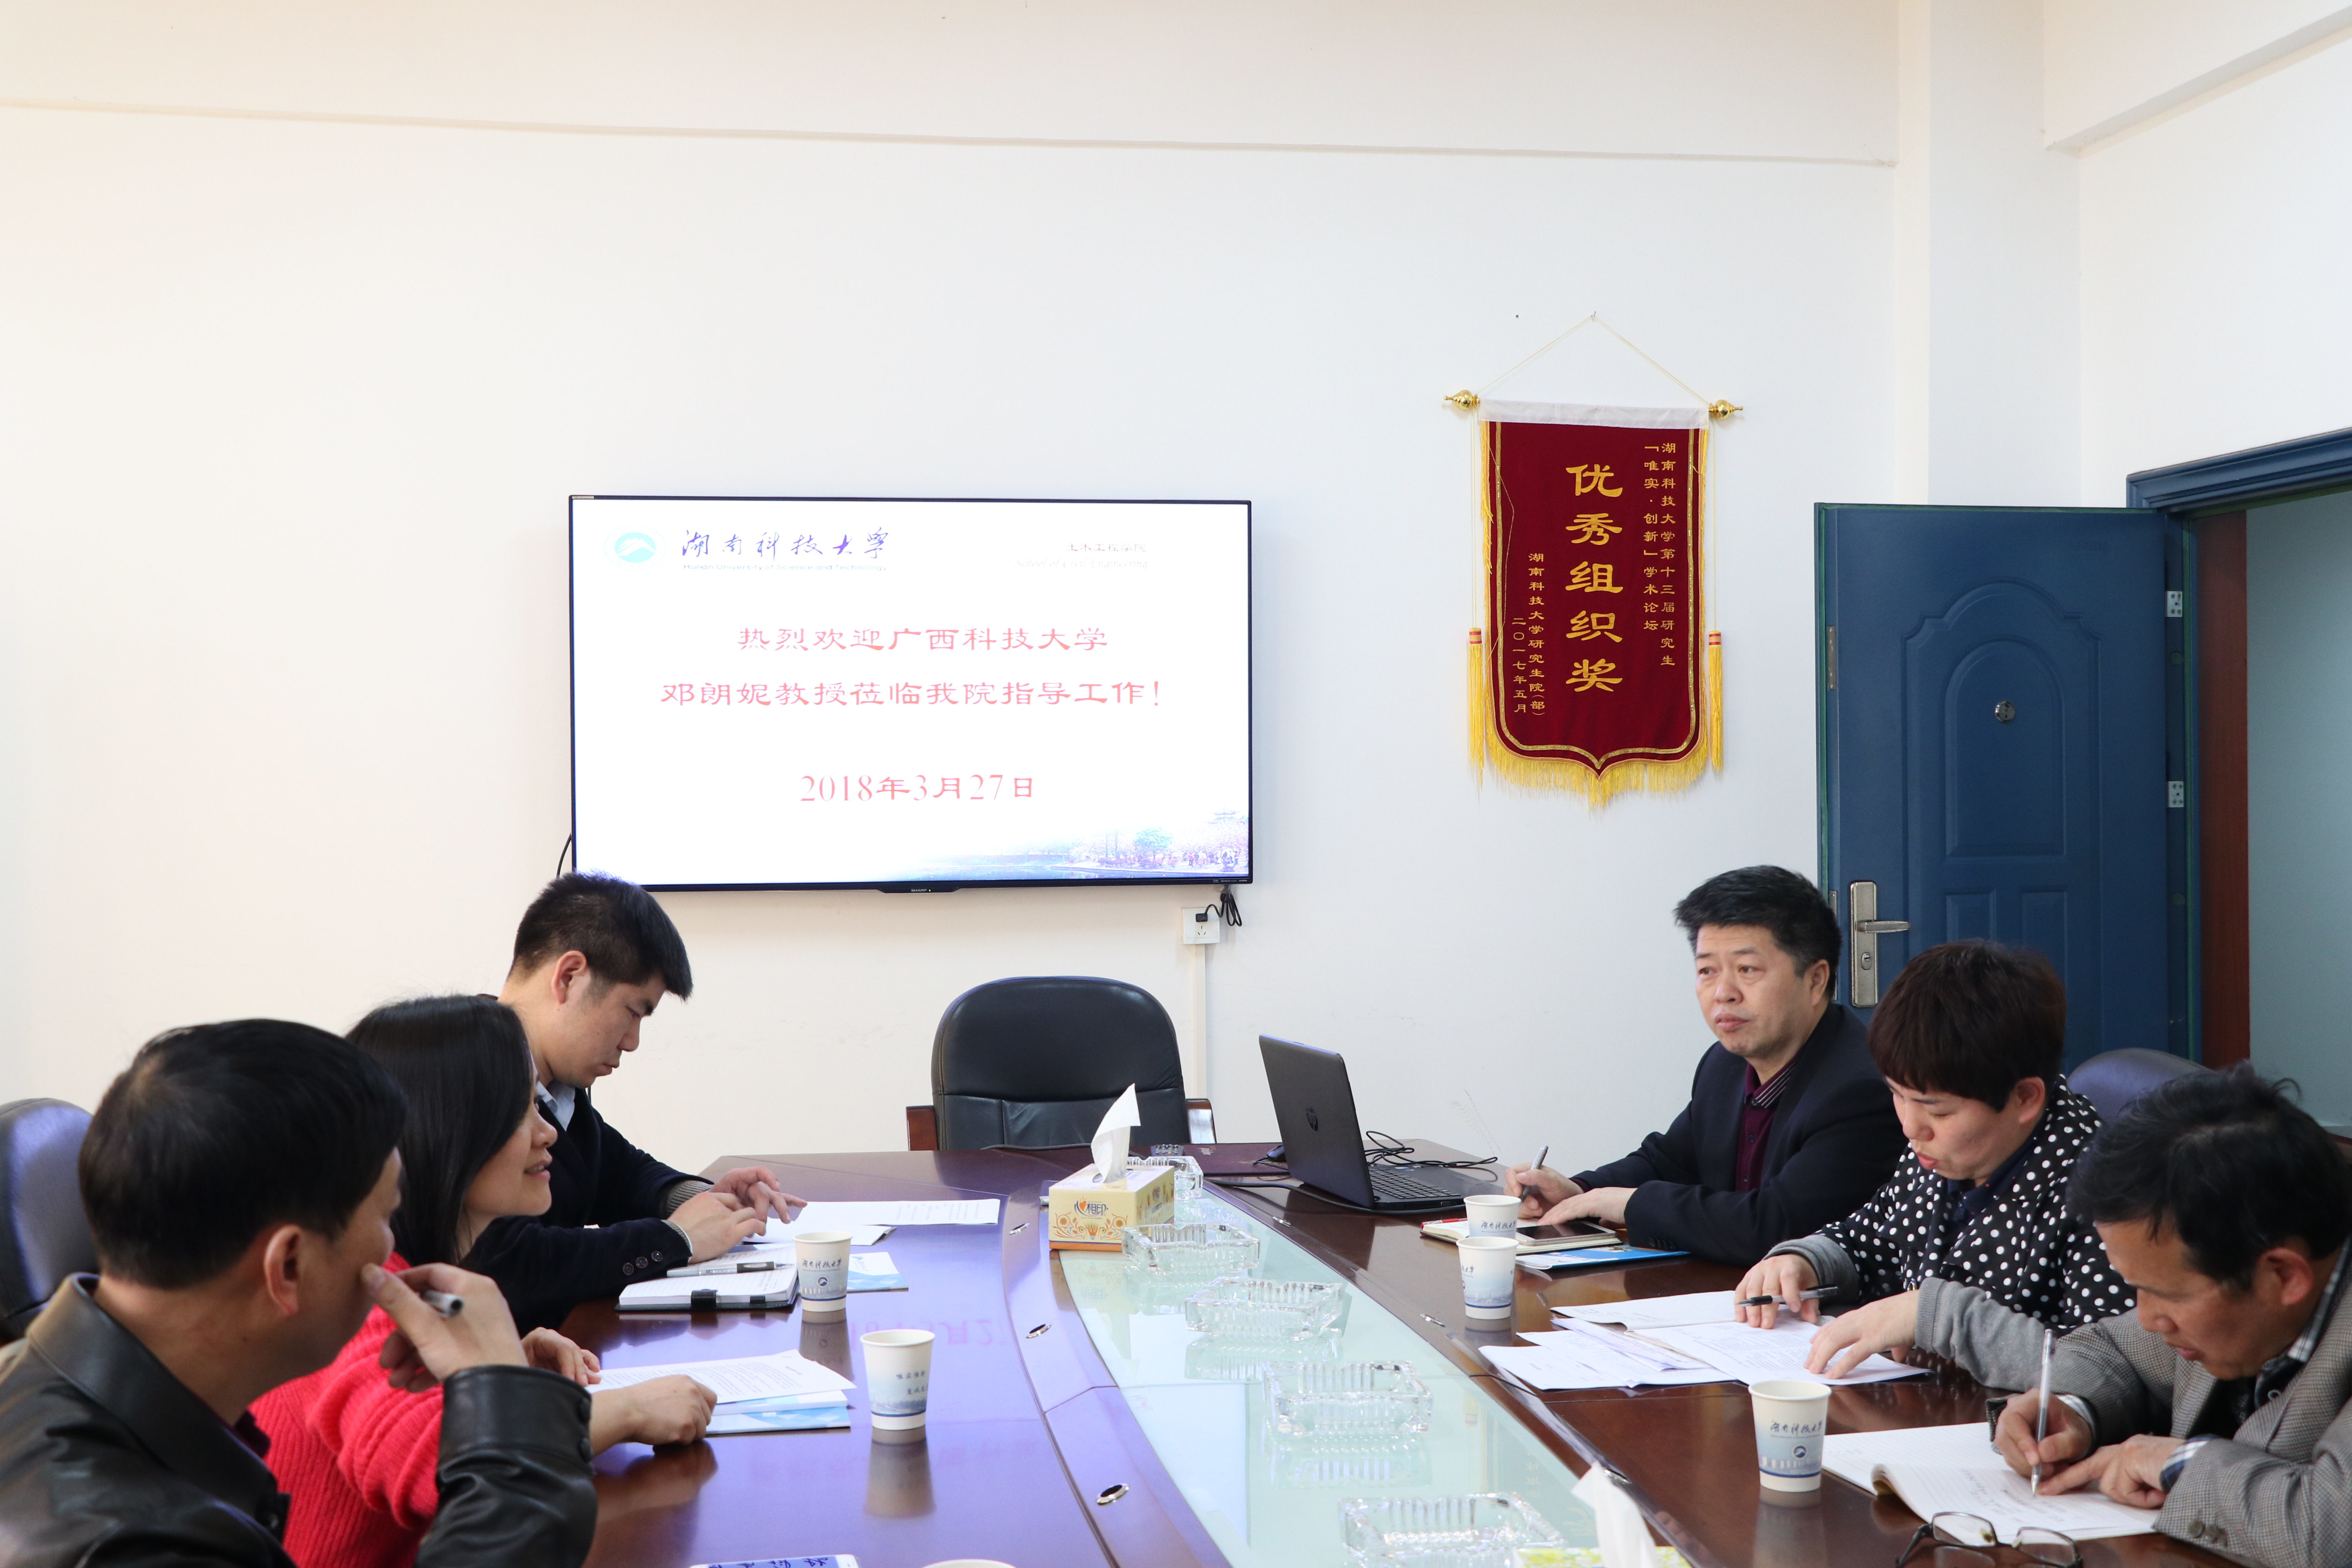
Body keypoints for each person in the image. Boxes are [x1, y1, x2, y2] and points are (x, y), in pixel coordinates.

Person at [0, 1020, 596, 1568]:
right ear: (288, 1265)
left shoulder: (36, 1389)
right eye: (385, 1215)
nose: (392, 1247)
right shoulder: (133, 1546)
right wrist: (511, 1418)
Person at [255, 996, 717, 1568]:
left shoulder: (412, 1279)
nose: (547, 1133)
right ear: (452, 1129)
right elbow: (440, 1462)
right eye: (522, 1111)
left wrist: (500, 1368)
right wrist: (622, 1411)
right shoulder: (358, 1298)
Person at [1732, 941, 2132, 1388]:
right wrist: (1806, 1261)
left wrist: (1934, 1316)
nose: (1911, 1126)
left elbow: (2112, 1371)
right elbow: (1877, 1238)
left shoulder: (2106, 1195)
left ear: (2025, 1098)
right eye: (1897, 1095)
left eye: (1937, 1110)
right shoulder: (1943, 1152)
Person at [1994, 1068, 2352, 1566]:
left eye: (2165, 1294)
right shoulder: (2218, 1279)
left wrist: (2173, 1463)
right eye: (2136, 1288)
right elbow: (2109, 1347)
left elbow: (2329, 1531)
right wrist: (2071, 1410)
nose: (2145, 1318)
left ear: (2283, 1276)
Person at [1505, 865, 1906, 1266]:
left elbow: (1777, 1226)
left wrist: (1632, 1204)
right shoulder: (1724, 1063)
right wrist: (1579, 1191)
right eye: (1707, 971)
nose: (1723, 993)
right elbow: (1668, 1162)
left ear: (1816, 980)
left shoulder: (1862, 1088)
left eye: (1747, 970)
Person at [471, 873, 806, 1332]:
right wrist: (677, 1238)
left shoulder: (555, 1085)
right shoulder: (465, 1070)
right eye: (632, 1012)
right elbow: (507, 1258)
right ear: (569, 977)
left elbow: (620, 1174)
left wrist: (708, 1200)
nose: (632, 1042)